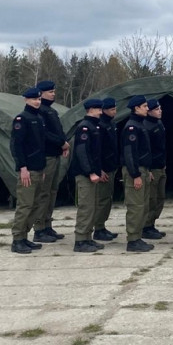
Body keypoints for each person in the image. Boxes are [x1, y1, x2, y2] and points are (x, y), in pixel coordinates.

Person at [9, 87, 48, 254]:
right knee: (25, 205)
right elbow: (16, 145)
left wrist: (43, 167)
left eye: (39, 99)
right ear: (26, 99)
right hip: (28, 170)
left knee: (35, 205)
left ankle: (24, 237)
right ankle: (17, 239)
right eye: (34, 99)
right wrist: (22, 168)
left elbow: (41, 145)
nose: (37, 101)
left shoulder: (38, 118)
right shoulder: (21, 119)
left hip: (38, 168)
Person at [33, 80, 69, 241]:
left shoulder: (50, 111)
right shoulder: (40, 111)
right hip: (46, 156)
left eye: (54, 91)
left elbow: (58, 130)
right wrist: (61, 143)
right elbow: (44, 134)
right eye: (50, 92)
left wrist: (64, 143)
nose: (53, 94)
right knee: (43, 193)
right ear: (41, 93)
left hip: (55, 155)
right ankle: (39, 228)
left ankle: (47, 225)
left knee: (52, 191)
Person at [70, 98, 105, 253]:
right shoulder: (84, 127)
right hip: (85, 174)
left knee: (92, 206)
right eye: (98, 109)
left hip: (92, 172)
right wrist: (90, 172)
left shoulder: (93, 126)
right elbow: (82, 152)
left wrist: (98, 170)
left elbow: (95, 154)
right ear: (91, 110)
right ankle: (80, 240)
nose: (101, 112)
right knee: (86, 207)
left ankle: (87, 238)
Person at [121, 95, 154, 253]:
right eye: (145, 106)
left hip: (143, 169)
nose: (148, 109)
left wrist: (147, 171)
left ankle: (137, 237)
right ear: (137, 108)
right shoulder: (132, 127)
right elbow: (129, 153)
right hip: (135, 170)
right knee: (136, 206)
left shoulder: (139, 125)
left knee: (142, 205)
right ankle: (133, 240)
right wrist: (135, 175)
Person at [93, 97, 120, 242]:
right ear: (103, 110)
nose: (114, 111)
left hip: (111, 166)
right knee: (102, 199)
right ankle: (98, 228)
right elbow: (97, 150)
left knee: (107, 199)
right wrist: (100, 169)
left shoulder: (111, 123)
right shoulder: (100, 125)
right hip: (104, 168)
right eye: (111, 109)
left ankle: (102, 226)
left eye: (115, 109)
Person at [142, 98, 167, 240]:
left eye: (160, 108)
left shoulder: (159, 123)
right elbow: (146, 150)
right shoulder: (145, 126)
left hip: (161, 166)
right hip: (152, 168)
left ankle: (151, 224)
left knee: (160, 198)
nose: (160, 111)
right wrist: (149, 169)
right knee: (151, 198)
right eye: (157, 109)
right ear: (149, 111)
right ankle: (145, 226)